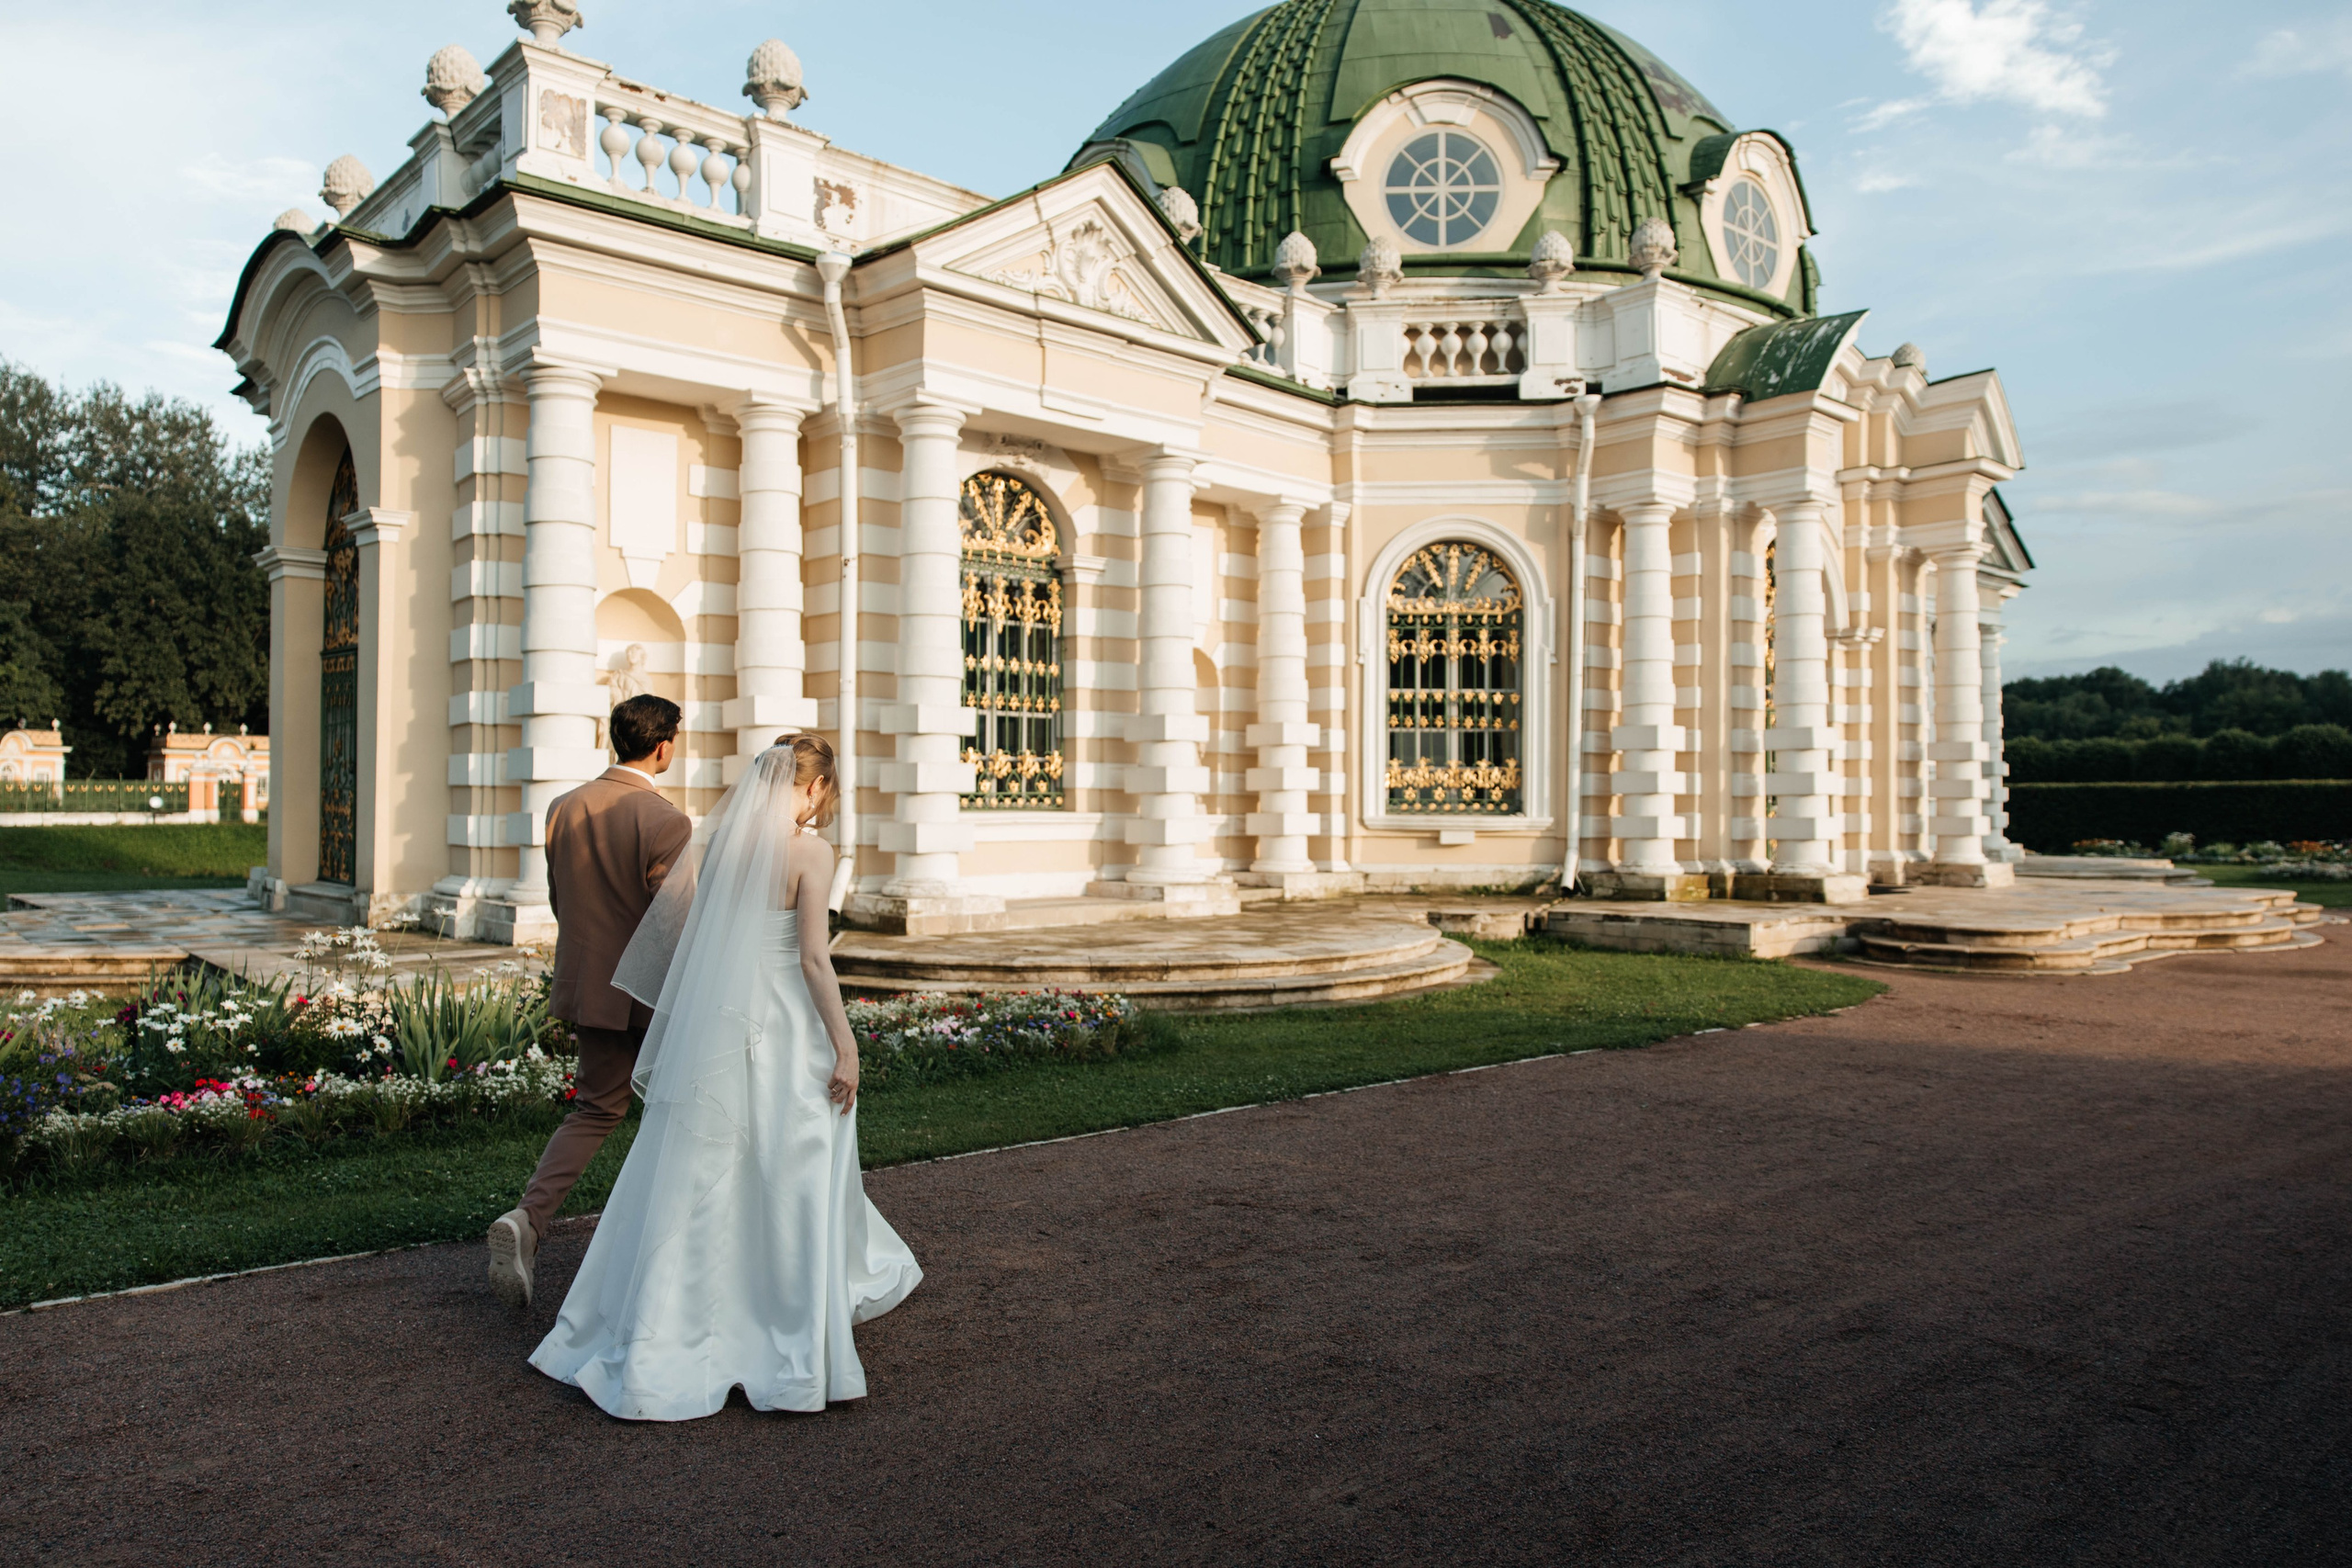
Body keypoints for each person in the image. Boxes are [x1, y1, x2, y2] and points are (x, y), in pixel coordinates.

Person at [526, 735, 922, 1419]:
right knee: (791, 1161)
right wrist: (846, 1044)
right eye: (826, 790)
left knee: (700, 1165)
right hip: (786, 1021)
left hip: (721, 1023)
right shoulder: (810, 851)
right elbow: (813, 961)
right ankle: (784, 1321)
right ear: (816, 788)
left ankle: (673, 1319)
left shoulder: (724, 849)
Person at [486, 694, 694, 1310]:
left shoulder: (563, 807)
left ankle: (529, 1218)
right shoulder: (666, 820)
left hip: (589, 985)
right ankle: (668, 1253)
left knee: (596, 1109)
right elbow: (674, 923)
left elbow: (560, 899)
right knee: (683, 1114)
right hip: (655, 995)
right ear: (664, 746)